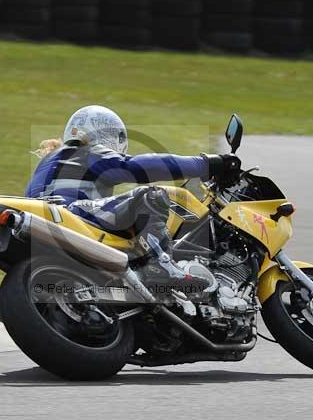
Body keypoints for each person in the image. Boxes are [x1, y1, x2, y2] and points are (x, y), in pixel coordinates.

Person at [25, 105, 241, 292]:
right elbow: (139, 167)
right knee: (151, 195)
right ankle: (161, 263)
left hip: (45, 229)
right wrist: (207, 164)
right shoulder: (86, 152)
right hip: (73, 215)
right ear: (107, 134)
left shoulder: (47, 165)